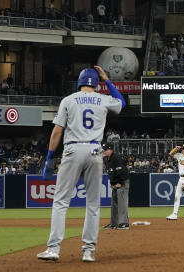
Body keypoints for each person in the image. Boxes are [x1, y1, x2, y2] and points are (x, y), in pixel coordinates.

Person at [36, 66, 125, 263]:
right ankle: (88, 251)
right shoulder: (103, 99)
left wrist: (49, 157)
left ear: (80, 81)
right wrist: (107, 80)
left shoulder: (68, 100)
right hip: (95, 151)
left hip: (73, 149)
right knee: (93, 204)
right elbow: (122, 102)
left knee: (60, 202)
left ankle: (53, 249)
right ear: (96, 82)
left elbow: (57, 131)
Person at [102, 143, 129, 230]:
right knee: (114, 203)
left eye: (105, 150)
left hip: (122, 182)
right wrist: (112, 182)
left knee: (122, 202)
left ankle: (124, 223)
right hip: (115, 183)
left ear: (111, 150)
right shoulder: (105, 159)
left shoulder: (116, 158)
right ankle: (114, 223)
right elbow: (111, 171)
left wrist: (120, 182)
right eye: (103, 150)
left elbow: (122, 171)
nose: (104, 151)